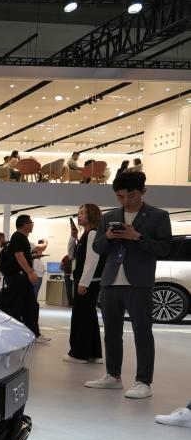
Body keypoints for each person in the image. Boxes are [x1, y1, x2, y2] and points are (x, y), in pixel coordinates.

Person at [85, 171, 171, 399]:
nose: (125, 201)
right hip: (110, 282)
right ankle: (113, 376)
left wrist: (137, 237)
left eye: (131, 196)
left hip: (139, 283)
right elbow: (97, 247)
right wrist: (108, 237)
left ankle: (143, 382)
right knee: (111, 333)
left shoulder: (158, 216)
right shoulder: (109, 216)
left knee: (142, 333)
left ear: (143, 192)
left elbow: (165, 249)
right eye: (120, 196)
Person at [64, 204, 104, 364]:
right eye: (78, 213)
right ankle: (94, 353)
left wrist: (84, 282)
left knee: (81, 317)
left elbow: (92, 260)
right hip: (86, 281)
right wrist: (73, 236)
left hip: (87, 282)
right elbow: (71, 255)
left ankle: (79, 354)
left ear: (91, 215)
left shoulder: (93, 233)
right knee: (89, 317)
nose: (79, 216)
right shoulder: (86, 234)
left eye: (82, 213)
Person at [0, 214, 47, 341]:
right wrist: (30, 272)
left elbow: (22, 255)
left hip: (19, 277)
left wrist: (32, 257)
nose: (32, 225)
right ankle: (15, 333)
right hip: (18, 277)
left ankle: (33, 333)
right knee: (17, 305)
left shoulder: (21, 238)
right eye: (31, 222)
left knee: (30, 305)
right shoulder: (18, 237)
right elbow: (19, 256)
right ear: (25, 224)